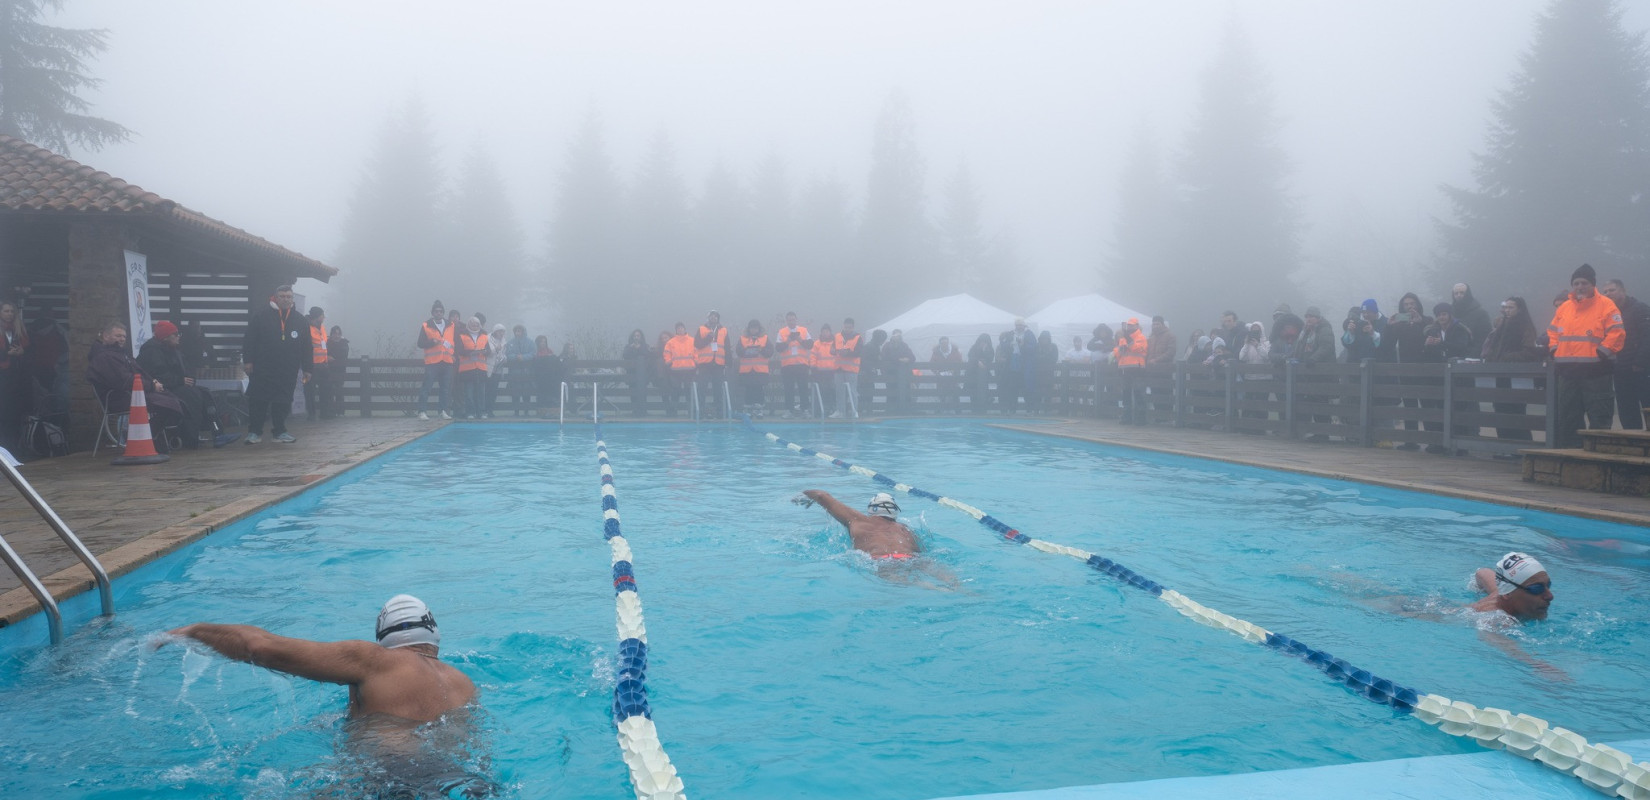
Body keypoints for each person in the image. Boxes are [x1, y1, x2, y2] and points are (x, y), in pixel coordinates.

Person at [164, 594, 478, 722]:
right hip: (463, 782)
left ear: (383, 639)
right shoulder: (464, 684)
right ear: (434, 637)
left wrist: (196, 630)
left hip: (392, 781)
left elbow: (260, 647)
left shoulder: (374, 660)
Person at [1549, 264, 1625, 448]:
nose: (1580, 287)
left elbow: (1617, 333)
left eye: (1584, 282)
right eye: (1576, 283)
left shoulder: (1607, 305)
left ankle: (1598, 457)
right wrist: (1553, 349)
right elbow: (1552, 332)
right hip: (1568, 373)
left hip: (1596, 372)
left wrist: (1602, 352)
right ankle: (1570, 456)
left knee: (1599, 417)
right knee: (1568, 417)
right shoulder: (1564, 308)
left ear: (1593, 284)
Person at [88, 321, 187, 453]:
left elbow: (140, 372)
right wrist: (151, 386)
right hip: (120, 398)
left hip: (135, 394)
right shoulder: (103, 357)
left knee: (177, 402)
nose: (122, 339)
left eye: (124, 336)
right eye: (118, 336)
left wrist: (154, 382)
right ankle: (146, 438)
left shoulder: (121, 354)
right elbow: (123, 381)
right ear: (105, 336)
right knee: (169, 405)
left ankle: (151, 438)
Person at [138, 321, 237, 448]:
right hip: (163, 389)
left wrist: (190, 379)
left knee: (205, 393)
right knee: (191, 396)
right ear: (165, 337)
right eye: (175, 334)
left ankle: (218, 434)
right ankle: (190, 438)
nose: (179, 336)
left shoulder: (174, 351)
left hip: (178, 386)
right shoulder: (152, 352)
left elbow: (187, 370)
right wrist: (180, 380)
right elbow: (157, 375)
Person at [243, 285, 312, 444]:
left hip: (287, 370)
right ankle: (254, 432)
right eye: (282, 296)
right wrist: (248, 361)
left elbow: (307, 346)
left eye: (289, 296)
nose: (286, 299)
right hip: (263, 368)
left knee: (283, 401)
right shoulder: (261, 316)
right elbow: (249, 340)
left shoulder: (300, 321)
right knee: (258, 400)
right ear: (275, 297)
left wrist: (308, 368)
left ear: (292, 299)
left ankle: (279, 431)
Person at [1481, 297, 1542, 442]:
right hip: (1500, 374)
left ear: (1519, 309)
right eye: (1505, 307)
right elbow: (1494, 348)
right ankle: (1504, 444)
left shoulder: (1526, 327)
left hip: (1518, 377)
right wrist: (1491, 357)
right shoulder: (1501, 326)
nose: (1507, 310)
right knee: (1500, 408)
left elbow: (1530, 352)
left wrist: (1507, 357)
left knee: (1516, 411)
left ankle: (1522, 445)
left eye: (1511, 307)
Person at [792, 490, 919, 559]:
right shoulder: (905, 529)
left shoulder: (859, 521)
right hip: (911, 559)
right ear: (895, 512)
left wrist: (799, 496)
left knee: (900, 579)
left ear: (871, 509)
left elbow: (821, 495)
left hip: (880, 560)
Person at [1421, 302, 1475, 453]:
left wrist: (1443, 343)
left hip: (1459, 376)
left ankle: (1460, 444)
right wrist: (1427, 345)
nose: (1441, 317)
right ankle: (1436, 442)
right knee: (1437, 407)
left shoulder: (1460, 329)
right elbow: (1426, 354)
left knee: (1458, 408)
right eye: (1439, 315)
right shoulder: (1432, 330)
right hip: (1438, 375)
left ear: (1450, 315)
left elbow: (1462, 347)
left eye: (1444, 314)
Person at [1601, 279, 1649, 430]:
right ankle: (1634, 444)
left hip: (1642, 370)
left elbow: (1648, 336)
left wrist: (1640, 363)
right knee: (1627, 410)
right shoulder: (1607, 314)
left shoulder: (1640, 308)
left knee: (1647, 407)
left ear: (1623, 290)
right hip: (1620, 370)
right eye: (1605, 291)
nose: (1608, 293)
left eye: (1612, 290)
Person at [1470, 552, 1553, 622]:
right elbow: (1493, 637)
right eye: (1536, 589)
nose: (1550, 596)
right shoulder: (1498, 620)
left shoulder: (1501, 591)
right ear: (1507, 594)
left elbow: (1482, 572)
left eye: (1548, 585)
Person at [0, 298, 31, 453]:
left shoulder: (19, 331)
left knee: (14, 413)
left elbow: (31, 350)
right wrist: (7, 353)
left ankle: (13, 447)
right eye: (6, 311)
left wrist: (22, 352)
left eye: (12, 311)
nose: (9, 314)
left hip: (16, 377)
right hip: (2, 377)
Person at [416, 301, 454, 421]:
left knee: (445, 388)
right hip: (432, 361)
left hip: (446, 360)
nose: (439, 313)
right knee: (427, 387)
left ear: (443, 313)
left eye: (441, 311)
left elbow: (455, 341)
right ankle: (422, 411)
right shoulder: (426, 325)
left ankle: (442, 411)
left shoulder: (450, 325)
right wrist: (431, 342)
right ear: (432, 313)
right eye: (436, 311)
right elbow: (420, 343)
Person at [775, 312, 812, 417]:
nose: (791, 322)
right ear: (786, 321)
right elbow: (778, 348)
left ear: (796, 320)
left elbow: (810, 345)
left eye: (793, 319)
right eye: (789, 320)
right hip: (788, 366)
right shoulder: (782, 332)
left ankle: (805, 410)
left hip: (802, 365)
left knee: (803, 388)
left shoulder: (803, 330)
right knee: (788, 389)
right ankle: (789, 410)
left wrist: (800, 340)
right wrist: (787, 341)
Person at [695, 310, 729, 418]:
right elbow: (697, 345)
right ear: (708, 318)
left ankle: (719, 412)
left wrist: (728, 361)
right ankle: (700, 411)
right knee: (702, 388)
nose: (713, 318)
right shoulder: (701, 329)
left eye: (715, 316)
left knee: (718, 389)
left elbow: (727, 347)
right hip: (705, 364)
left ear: (718, 318)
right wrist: (708, 338)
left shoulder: (724, 330)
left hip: (718, 364)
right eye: (711, 316)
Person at [1113, 317, 1148, 424]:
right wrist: (1122, 347)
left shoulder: (1141, 337)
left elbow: (1139, 348)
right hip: (1124, 369)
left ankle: (1140, 419)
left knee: (1138, 393)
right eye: (1129, 325)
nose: (1130, 327)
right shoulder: (1123, 338)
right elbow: (1117, 352)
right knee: (1126, 393)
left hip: (1137, 369)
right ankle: (1126, 417)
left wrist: (1129, 342)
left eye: (1132, 325)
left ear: (1137, 326)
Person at [455, 317, 491, 419]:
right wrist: (471, 352)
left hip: (481, 368)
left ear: (479, 325)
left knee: (481, 393)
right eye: (472, 324)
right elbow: (459, 350)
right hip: (467, 369)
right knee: (469, 393)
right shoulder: (461, 336)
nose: (475, 326)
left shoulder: (484, 336)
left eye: (476, 324)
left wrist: (485, 351)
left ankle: (482, 412)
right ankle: (470, 412)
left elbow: (489, 350)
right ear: (468, 325)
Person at [736, 319, 772, 415]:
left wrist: (761, 350)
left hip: (760, 370)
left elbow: (770, 352)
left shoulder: (765, 338)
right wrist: (746, 351)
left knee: (759, 389)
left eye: (755, 328)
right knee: (749, 389)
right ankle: (748, 408)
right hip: (747, 370)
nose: (754, 330)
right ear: (749, 329)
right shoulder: (742, 338)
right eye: (752, 328)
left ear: (759, 329)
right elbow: (738, 351)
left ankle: (759, 408)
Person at [663, 322, 699, 417]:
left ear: (685, 329)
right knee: (675, 391)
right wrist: (669, 362)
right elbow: (666, 353)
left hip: (690, 370)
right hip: (675, 371)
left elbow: (697, 352)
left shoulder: (692, 340)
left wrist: (696, 362)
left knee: (689, 391)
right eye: (678, 328)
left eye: (681, 328)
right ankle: (673, 413)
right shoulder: (671, 342)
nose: (680, 329)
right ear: (676, 330)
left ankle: (691, 412)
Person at [831, 319, 863, 419]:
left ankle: (854, 411)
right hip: (838, 368)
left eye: (849, 327)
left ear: (853, 327)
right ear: (843, 326)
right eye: (846, 327)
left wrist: (847, 353)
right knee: (839, 391)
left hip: (851, 369)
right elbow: (832, 348)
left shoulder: (858, 337)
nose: (847, 329)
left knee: (852, 391)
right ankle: (840, 411)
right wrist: (832, 351)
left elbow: (859, 352)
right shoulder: (837, 336)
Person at [303, 307, 330, 421]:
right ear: (317, 316)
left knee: (326, 389)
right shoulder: (306, 328)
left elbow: (324, 343)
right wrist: (306, 366)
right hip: (311, 366)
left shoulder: (322, 328)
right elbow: (305, 347)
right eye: (322, 315)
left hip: (323, 365)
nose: (324, 317)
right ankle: (311, 414)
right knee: (309, 391)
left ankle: (325, 413)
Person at [621, 329, 653, 417]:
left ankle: (643, 411)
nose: (636, 337)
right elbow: (625, 355)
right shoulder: (628, 346)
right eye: (635, 336)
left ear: (641, 337)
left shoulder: (645, 346)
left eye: (638, 335)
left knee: (643, 392)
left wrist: (639, 348)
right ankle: (634, 411)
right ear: (632, 337)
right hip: (631, 373)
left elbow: (648, 355)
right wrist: (632, 348)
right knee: (632, 391)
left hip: (643, 374)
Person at [883, 329, 916, 413]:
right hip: (891, 373)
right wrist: (900, 360)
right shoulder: (887, 346)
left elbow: (912, 357)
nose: (898, 337)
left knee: (905, 391)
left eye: (899, 335)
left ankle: (906, 410)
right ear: (892, 336)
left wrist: (907, 359)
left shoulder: (904, 345)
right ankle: (890, 411)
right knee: (891, 392)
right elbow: (885, 357)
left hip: (904, 374)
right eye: (896, 335)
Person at [809, 323, 836, 417]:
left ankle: (832, 409)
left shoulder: (835, 343)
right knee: (823, 391)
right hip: (820, 373)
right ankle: (822, 409)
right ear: (821, 333)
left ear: (830, 332)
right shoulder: (816, 344)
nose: (825, 333)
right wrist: (813, 367)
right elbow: (813, 356)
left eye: (827, 331)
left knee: (833, 390)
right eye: (824, 331)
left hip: (833, 372)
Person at [931, 335, 964, 409]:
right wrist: (936, 371)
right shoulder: (936, 353)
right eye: (942, 343)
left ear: (948, 343)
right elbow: (932, 364)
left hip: (953, 377)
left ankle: (957, 410)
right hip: (941, 378)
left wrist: (955, 370)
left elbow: (960, 363)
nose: (944, 344)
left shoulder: (955, 351)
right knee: (941, 394)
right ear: (940, 344)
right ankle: (941, 409)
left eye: (945, 343)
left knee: (955, 393)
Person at [531, 335, 561, 417]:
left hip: (550, 379)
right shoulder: (535, 352)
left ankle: (552, 409)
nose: (543, 344)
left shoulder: (550, 351)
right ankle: (542, 410)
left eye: (544, 342)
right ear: (538, 343)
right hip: (541, 379)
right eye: (541, 342)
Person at [966, 332, 994, 414]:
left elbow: (990, 358)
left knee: (983, 391)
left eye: (985, 341)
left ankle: (983, 409)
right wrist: (978, 361)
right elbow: (970, 356)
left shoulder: (990, 349)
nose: (983, 343)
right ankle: (973, 408)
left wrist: (984, 351)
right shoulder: (974, 347)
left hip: (983, 376)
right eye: (982, 341)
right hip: (973, 374)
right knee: (973, 391)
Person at [485, 323, 508, 418]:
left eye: (503, 331)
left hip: (498, 370)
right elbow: (487, 353)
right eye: (499, 331)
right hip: (488, 369)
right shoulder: (487, 339)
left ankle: (490, 410)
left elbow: (503, 353)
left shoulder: (504, 341)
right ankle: (484, 410)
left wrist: (504, 358)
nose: (501, 333)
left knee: (494, 391)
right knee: (486, 391)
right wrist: (495, 348)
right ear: (495, 331)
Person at [327, 325, 350, 415]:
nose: (336, 335)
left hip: (340, 371)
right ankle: (331, 411)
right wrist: (327, 357)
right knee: (330, 391)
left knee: (339, 391)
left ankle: (340, 411)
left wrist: (333, 357)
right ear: (331, 334)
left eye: (338, 333)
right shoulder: (327, 343)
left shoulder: (344, 343)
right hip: (329, 370)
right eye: (334, 333)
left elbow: (344, 355)